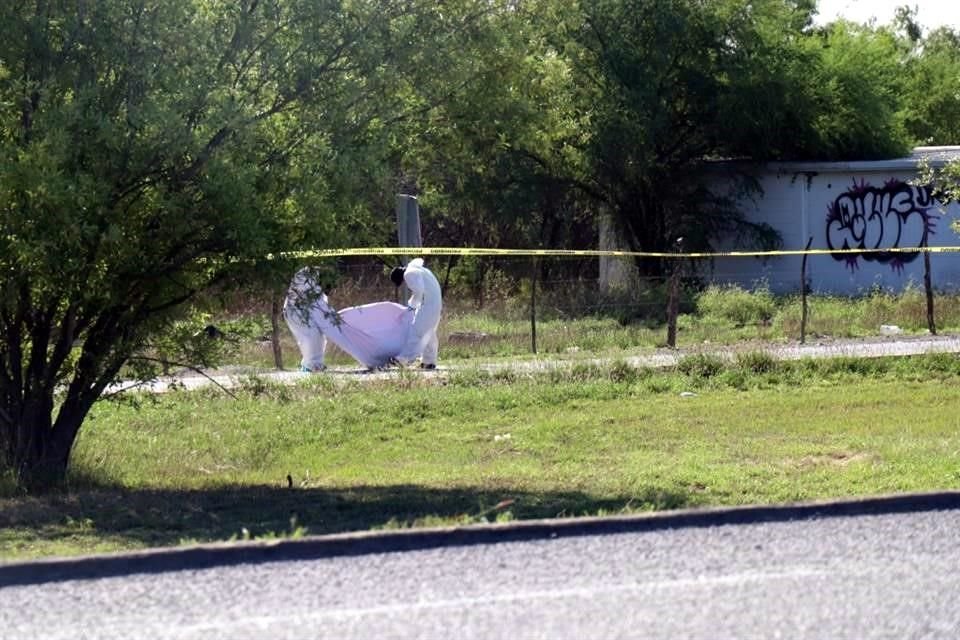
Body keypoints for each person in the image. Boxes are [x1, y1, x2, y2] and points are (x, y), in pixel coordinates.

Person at [390, 257, 442, 369]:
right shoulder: (419, 269)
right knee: (429, 333)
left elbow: (418, 290)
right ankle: (429, 362)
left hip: (428, 304)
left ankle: (403, 359)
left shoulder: (409, 274)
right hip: (435, 302)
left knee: (416, 330)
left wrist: (411, 305)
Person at [283, 267, 329, 372]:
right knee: (310, 336)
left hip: (305, 311)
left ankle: (314, 364)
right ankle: (310, 365)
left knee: (318, 336)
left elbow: (321, 299)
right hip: (295, 310)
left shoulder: (313, 276)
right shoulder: (306, 274)